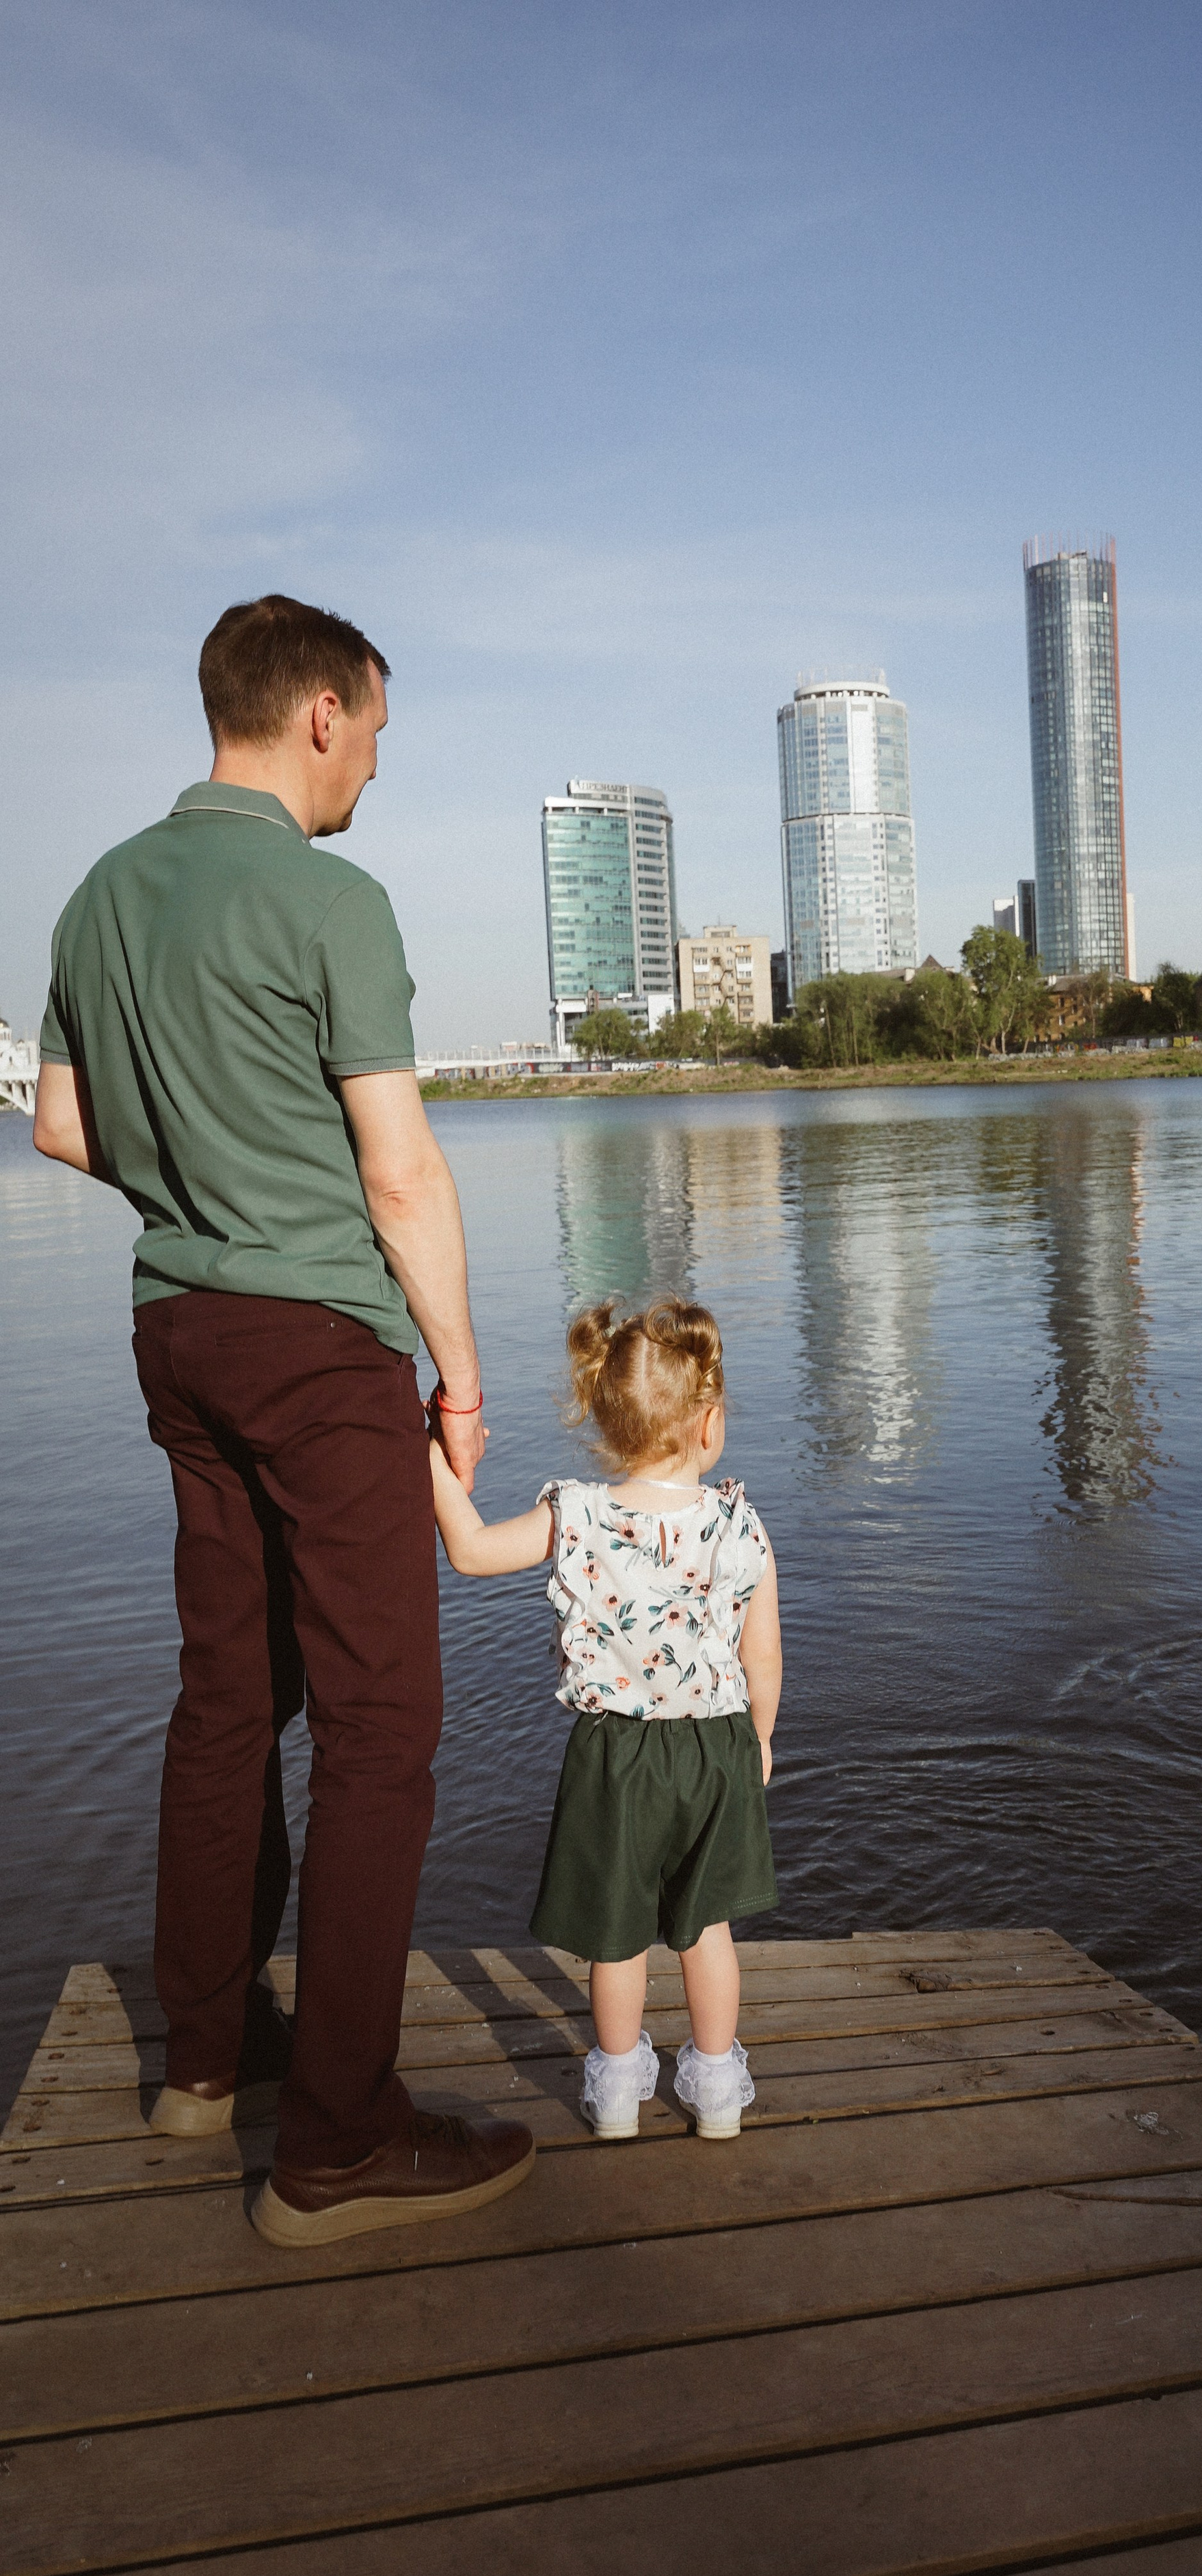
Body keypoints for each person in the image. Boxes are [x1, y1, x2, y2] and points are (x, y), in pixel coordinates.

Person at [34, 593, 534, 2246]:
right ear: (319, 710)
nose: (374, 769)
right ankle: (334, 2140)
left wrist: (196, 1184)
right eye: (375, 733)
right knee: (384, 1728)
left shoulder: (102, 891)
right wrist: (457, 1375)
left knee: (227, 1697)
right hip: (321, 1348)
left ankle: (205, 2059)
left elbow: (55, 1127)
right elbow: (398, 1170)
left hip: (176, 1331)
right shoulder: (328, 896)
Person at [428, 1298, 781, 2141]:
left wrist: (429, 1458)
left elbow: (472, 1551)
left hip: (614, 1754)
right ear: (709, 1425)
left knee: (616, 1935)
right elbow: (762, 1655)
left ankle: (619, 2098)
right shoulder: (737, 1521)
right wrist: (760, 1740)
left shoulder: (578, 1514)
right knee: (705, 1928)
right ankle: (719, 2096)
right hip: (716, 1749)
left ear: (606, 1421)